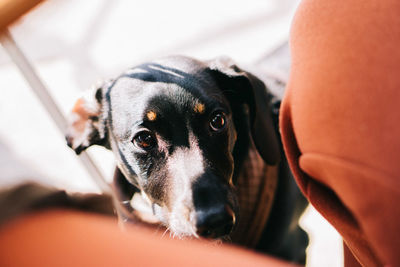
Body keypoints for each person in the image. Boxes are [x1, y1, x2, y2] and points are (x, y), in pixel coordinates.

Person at [1, 0, 399, 266]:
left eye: (215, 123)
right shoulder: (97, 124)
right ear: (91, 132)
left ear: (240, 111)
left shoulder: (267, 173)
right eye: (145, 140)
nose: (212, 210)